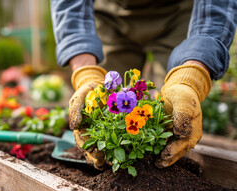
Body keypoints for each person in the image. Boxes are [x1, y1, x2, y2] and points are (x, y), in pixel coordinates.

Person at [50, 0, 237, 169]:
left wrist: (192, 77)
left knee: (174, 116)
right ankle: (118, 170)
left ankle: (153, 170)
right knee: (101, 114)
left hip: (177, 13)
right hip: (109, 13)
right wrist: (86, 73)